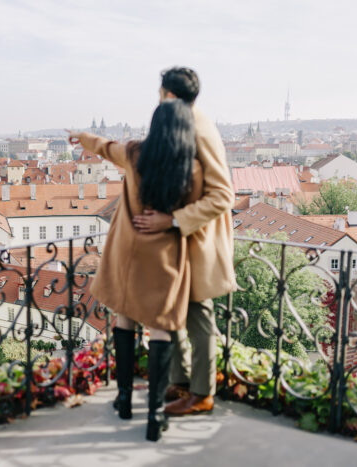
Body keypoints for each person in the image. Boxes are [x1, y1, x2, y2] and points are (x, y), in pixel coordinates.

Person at [67, 98, 202, 442]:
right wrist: (170, 221)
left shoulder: (136, 153)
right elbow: (199, 212)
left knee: (124, 319)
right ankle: (155, 415)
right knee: (160, 328)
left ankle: (124, 399)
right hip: (165, 255)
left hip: (127, 252)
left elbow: (104, 147)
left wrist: (81, 136)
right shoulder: (191, 168)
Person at [132, 67, 235, 416]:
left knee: (198, 318)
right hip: (180, 242)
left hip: (196, 241)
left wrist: (173, 220)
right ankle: (181, 383)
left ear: (169, 95)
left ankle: (202, 394)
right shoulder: (187, 120)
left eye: (160, 93)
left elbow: (223, 195)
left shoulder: (199, 127)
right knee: (172, 312)